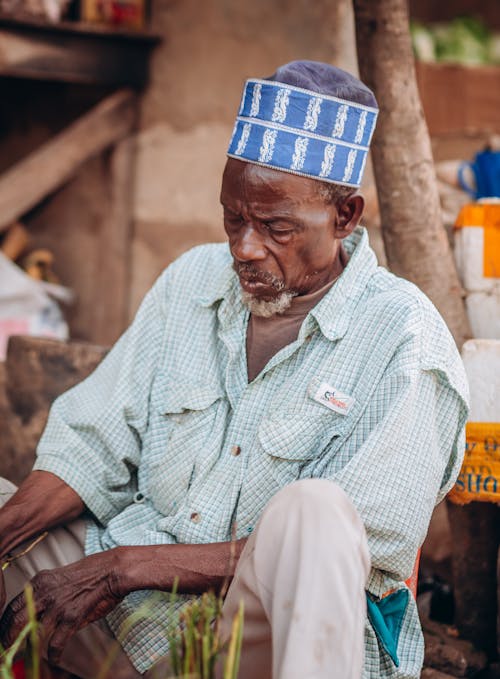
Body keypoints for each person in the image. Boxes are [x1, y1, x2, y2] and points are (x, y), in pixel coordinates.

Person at [0, 61, 469, 679]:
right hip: (125, 623)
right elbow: (94, 443)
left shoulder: (404, 336)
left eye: (275, 227)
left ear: (345, 217)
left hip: (259, 643)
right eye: (233, 218)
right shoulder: (192, 281)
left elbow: (354, 547)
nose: (245, 248)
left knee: (318, 516)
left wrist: (122, 569)